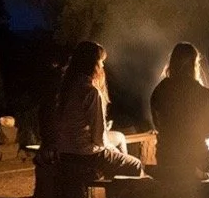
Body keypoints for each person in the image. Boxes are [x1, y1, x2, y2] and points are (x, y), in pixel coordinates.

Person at [54, 41, 144, 179]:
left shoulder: (67, 88)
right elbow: (99, 139)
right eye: (101, 61)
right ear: (92, 64)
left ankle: (115, 183)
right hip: (86, 154)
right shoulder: (91, 92)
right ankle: (118, 195)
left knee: (119, 137)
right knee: (135, 164)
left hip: (66, 151)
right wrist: (111, 149)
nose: (103, 66)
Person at [150, 42, 209, 177]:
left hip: (166, 159)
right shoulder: (203, 93)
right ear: (193, 64)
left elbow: (157, 124)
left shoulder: (159, 90)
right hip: (195, 160)